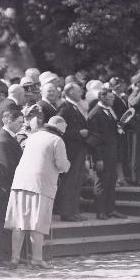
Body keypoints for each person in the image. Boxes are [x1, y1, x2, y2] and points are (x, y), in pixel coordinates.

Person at [4, 115, 70, 269]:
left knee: (19, 222)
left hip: (21, 181)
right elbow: (62, 165)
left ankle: (14, 258)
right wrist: (68, 165)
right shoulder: (57, 140)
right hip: (41, 184)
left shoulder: (33, 136)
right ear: (60, 128)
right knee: (38, 223)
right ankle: (36, 259)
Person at [86, 89, 125, 220]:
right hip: (102, 155)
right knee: (101, 183)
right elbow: (94, 138)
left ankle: (110, 209)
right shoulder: (95, 113)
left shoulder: (109, 110)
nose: (112, 100)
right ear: (101, 97)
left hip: (111, 153)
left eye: (112, 98)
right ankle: (100, 211)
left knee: (111, 182)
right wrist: (98, 158)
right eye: (109, 98)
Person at [0, 107, 24, 262]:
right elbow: (8, 169)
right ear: (7, 120)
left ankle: (7, 254)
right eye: (18, 122)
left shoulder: (9, 138)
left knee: (8, 223)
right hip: (6, 190)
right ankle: (0, 255)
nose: (21, 125)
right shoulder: (3, 140)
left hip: (10, 188)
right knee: (3, 223)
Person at [55, 82, 89, 222]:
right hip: (71, 152)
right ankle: (67, 212)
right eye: (78, 91)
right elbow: (57, 129)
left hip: (78, 151)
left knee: (76, 181)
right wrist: (78, 133)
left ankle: (74, 211)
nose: (81, 92)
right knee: (69, 182)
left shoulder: (74, 107)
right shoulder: (65, 108)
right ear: (70, 93)